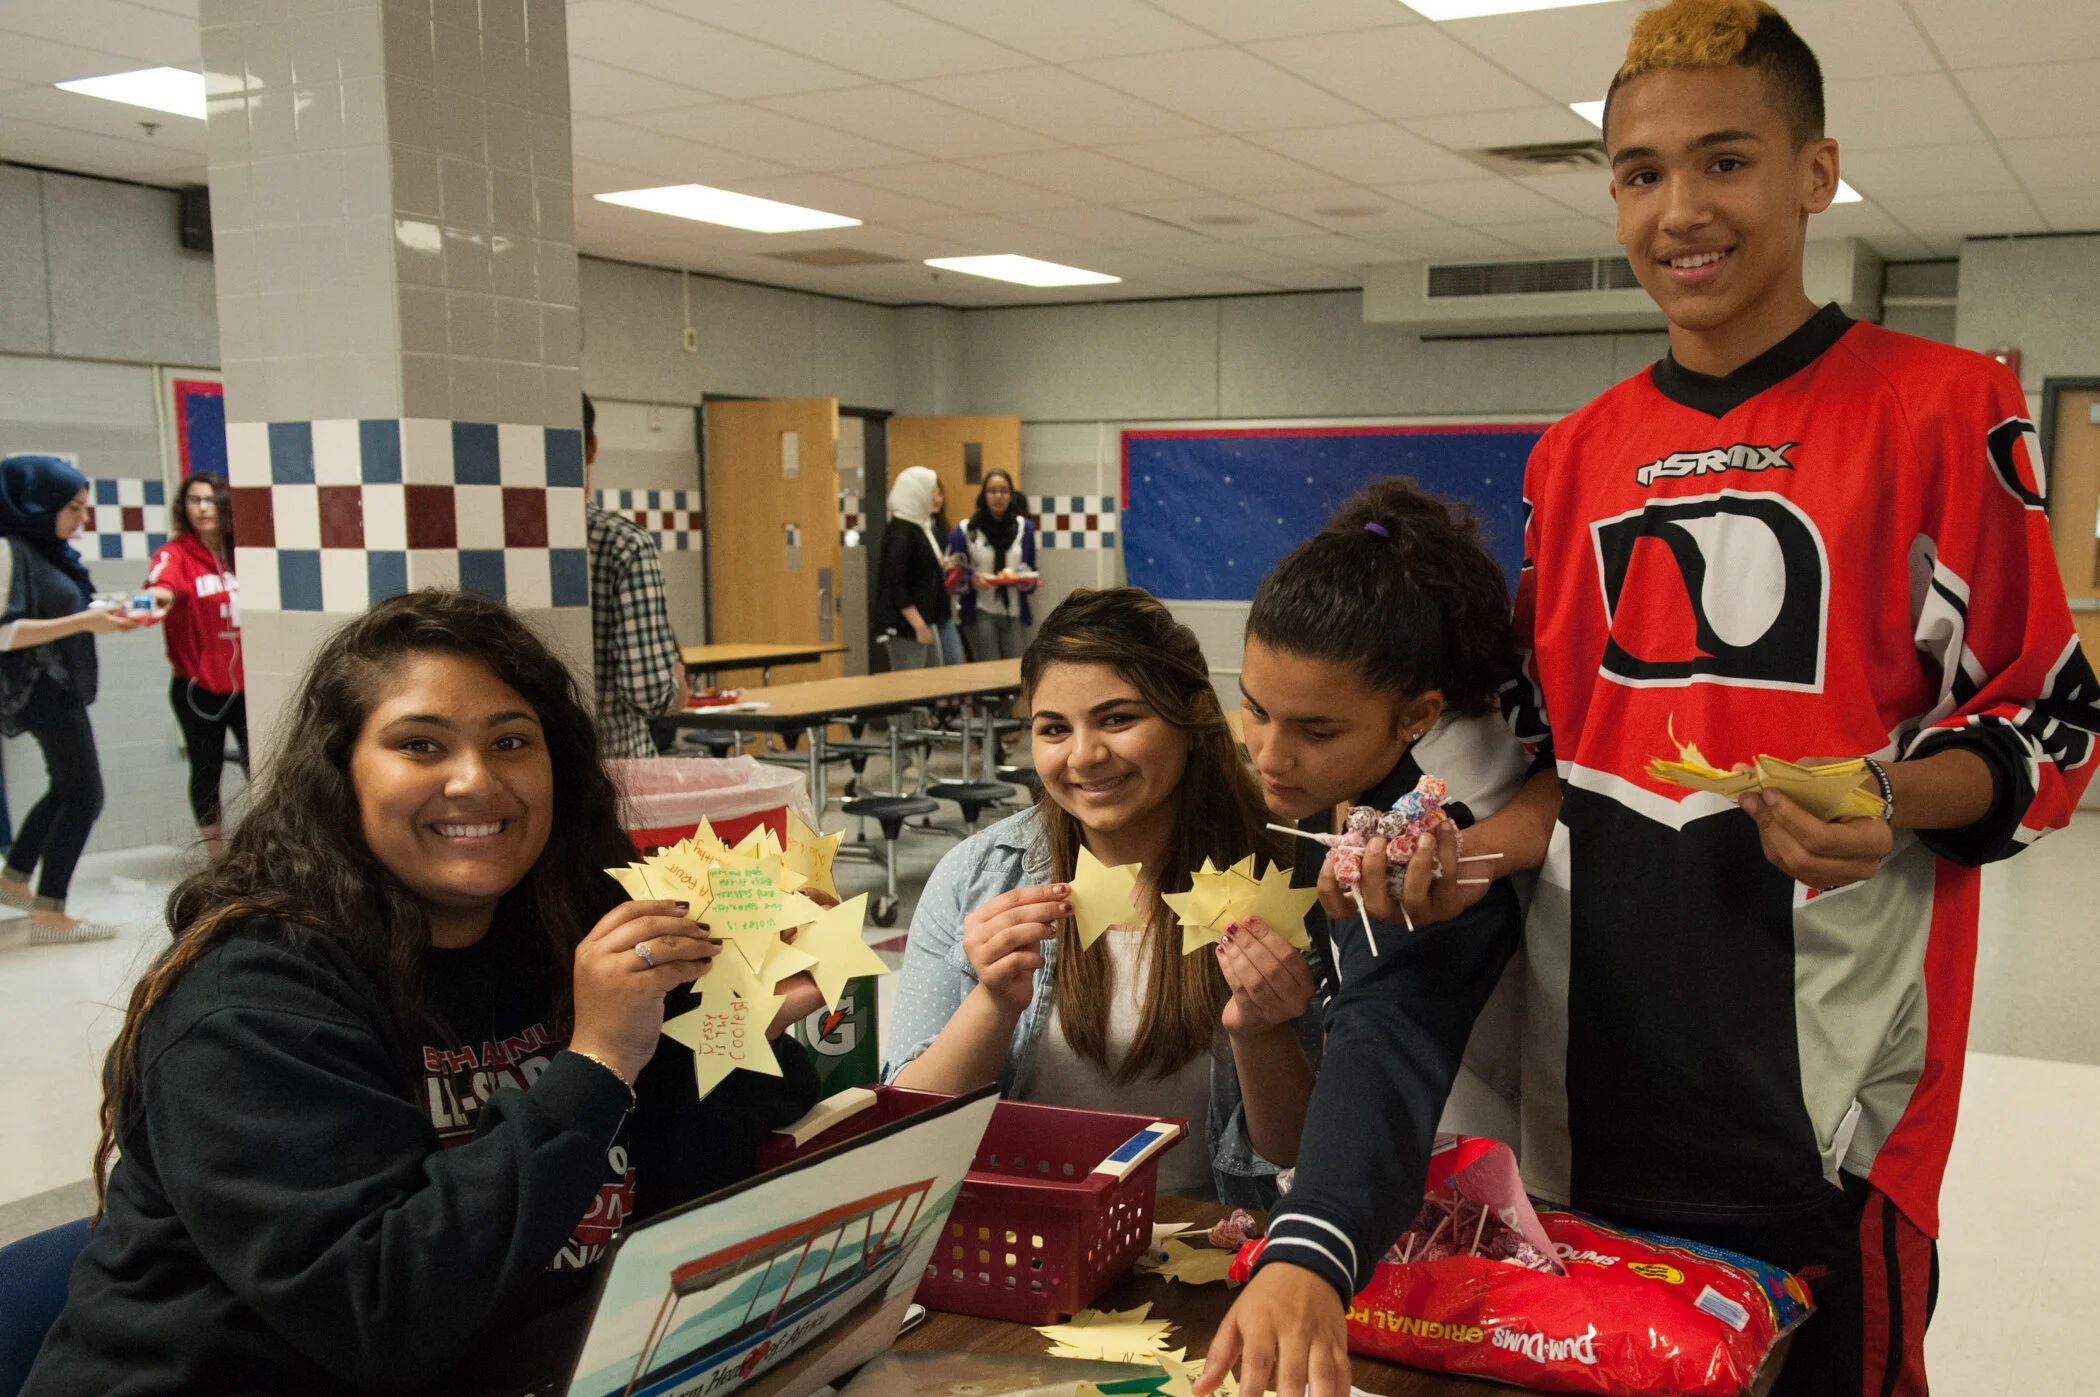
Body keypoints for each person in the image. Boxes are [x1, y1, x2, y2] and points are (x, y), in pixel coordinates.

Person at [1209, 6, 2100, 1397]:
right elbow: (1566, 779)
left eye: (1726, 161)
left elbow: (2052, 719)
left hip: (1826, 1103)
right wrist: (1458, 861)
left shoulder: (1942, 406)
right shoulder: (1576, 460)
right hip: (1590, 1094)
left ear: (1817, 172)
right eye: (1637, 173)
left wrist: (1885, 792)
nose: (1679, 210)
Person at [25, 589, 824, 1396]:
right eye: (421, 745)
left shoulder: (557, 937)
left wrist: (738, 1019)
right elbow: (384, 1316)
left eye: (511, 741)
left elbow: (682, 1190)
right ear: (343, 772)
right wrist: (596, 1060)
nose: (475, 781)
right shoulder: (249, 1001)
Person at [1198, 481, 1529, 1397]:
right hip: (1418, 1193)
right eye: (1255, 707)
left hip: (1515, 1208)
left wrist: (1311, 1239)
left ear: (1417, 714)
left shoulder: (1438, 828)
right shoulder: (1373, 779)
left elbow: (1391, 1022)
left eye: (1314, 729)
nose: (1269, 755)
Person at [886, 587, 1320, 1206]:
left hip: (1210, 1248)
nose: (1085, 756)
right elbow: (907, 1129)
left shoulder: (1277, 880)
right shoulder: (979, 877)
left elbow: (1299, 1151)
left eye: (1117, 719)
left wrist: (1261, 1032)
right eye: (1054, 729)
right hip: (1020, 1244)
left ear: (1189, 718)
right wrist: (993, 1001)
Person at [0, 455, 142, 944]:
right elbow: (5, 632)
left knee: (65, 788)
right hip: (39, 687)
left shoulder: (45, 550)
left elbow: (62, 606)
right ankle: (50, 913)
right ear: (39, 504)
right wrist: (83, 622)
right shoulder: (10, 548)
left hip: (54, 684)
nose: (82, 519)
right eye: (74, 507)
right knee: (85, 795)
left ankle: (14, 878)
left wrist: (105, 611)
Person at [145, 470, 245, 860]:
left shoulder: (245, 552)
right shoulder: (176, 555)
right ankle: (217, 859)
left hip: (247, 688)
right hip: (197, 688)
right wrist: (150, 603)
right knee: (207, 772)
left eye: (210, 499)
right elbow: (160, 590)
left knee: (266, 769)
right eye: (194, 500)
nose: (202, 508)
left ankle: (277, 851)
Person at [582, 393, 688, 759]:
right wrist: (678, 683)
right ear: (592, 447)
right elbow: (650, 694)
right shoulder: (623, 544)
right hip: (617, 770)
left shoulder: (506, 544)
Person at [949, 469, 1038, 662]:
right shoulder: (966, 530)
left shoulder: (1025, 528)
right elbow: (953, 578)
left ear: (1011, 495)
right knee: (988, 672)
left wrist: (1027, 581)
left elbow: (1031, 569)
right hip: (981, 608)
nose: (998, 496)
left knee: (1015, 672)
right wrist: (971, 581)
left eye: (1004, 490)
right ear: (983, 494)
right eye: (992, 490)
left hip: (1013, 609)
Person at [876, 466, 954, 671]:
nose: (937, 497)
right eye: (933, 492)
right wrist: (918, 624)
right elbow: (896, 582)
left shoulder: (920, 527)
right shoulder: (901, 531)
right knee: (911, 690)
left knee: (935, 686)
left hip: (925, 620)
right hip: (906, 628)